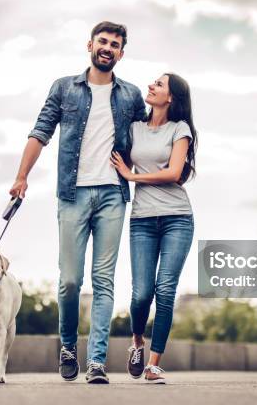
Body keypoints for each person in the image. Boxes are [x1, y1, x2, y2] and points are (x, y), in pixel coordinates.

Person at [9, 21, 146, 384]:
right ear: (90, 45)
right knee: (70, 280)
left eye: (115, 44)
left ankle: (97, 361)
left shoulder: (131, 95)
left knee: (104, 280)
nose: (108, 47)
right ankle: (68, 346)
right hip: (72, 194)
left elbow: (147, 140)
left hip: (113, 196)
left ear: (121, 52)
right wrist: (21, 176)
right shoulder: (63, 88)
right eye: (103, 41)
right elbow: (40, 132)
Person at [110, 73, 197, 384]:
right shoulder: (134, 128)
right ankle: (136, 343)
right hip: (142, 220)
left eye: (159, 84)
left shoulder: (180, 129)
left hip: (177, 217)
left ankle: (154, 364)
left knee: (165, 290)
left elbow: (174, 172)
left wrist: (131, 177)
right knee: (141, 293)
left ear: (170, 97)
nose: (151, 86)